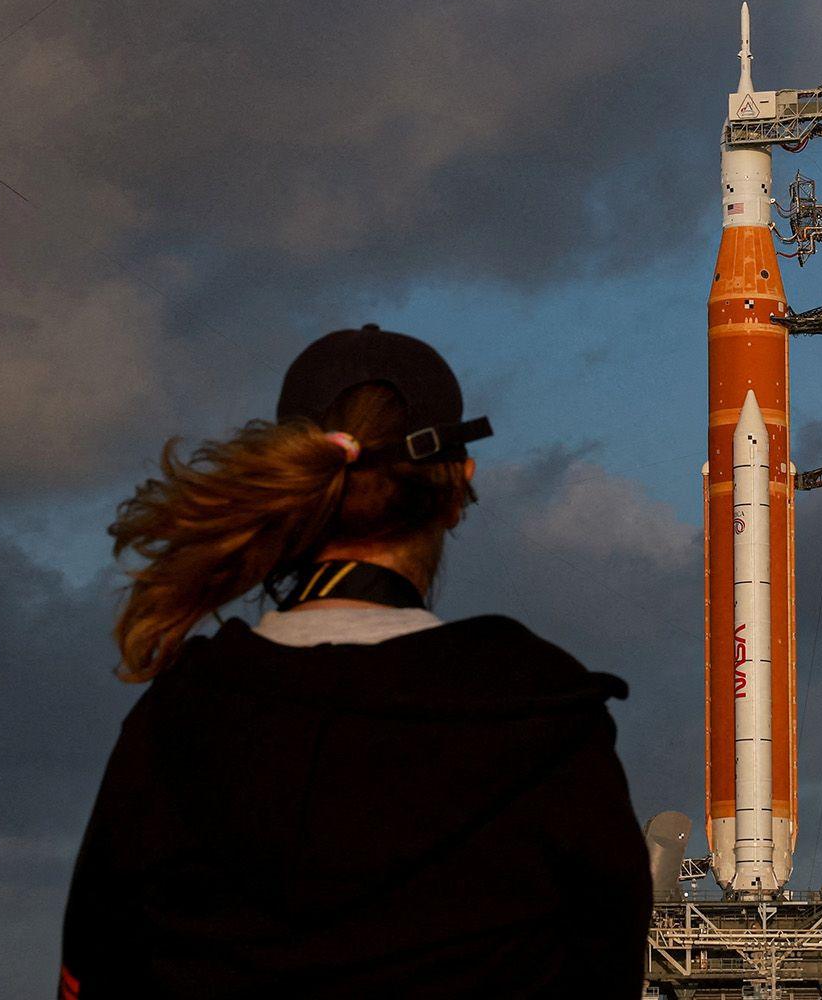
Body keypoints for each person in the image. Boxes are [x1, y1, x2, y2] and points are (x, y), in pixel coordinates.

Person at [60, 324, 651, 998]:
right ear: (459, 487)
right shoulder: (546, 724)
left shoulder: (171, 729)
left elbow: (90, 974)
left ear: (297, 487)